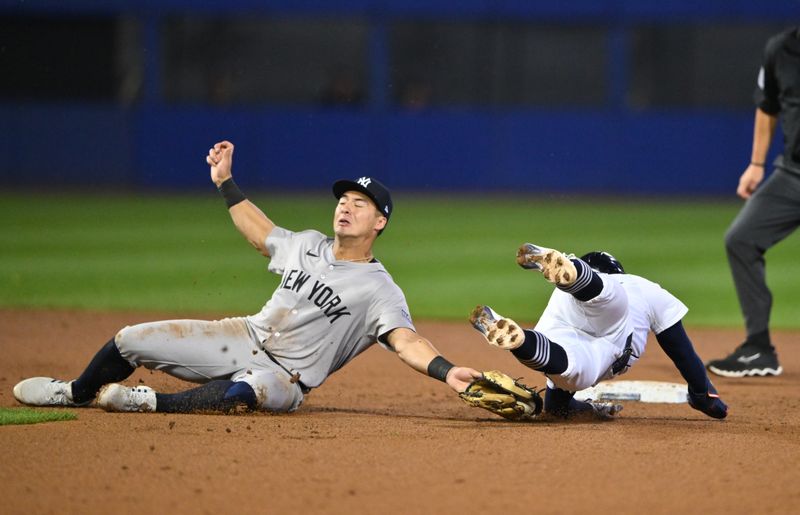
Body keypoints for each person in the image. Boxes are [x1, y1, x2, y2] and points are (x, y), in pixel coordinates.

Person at [13, 141, 481, 414]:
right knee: (130, 339)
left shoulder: (380, 288)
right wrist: (225, 182)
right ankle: (74, 392)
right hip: (241, 335)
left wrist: (446, 372)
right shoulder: (307, 242)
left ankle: (148, 401)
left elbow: (406, 340)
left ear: (380, 223)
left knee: (246, 393)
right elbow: (261, 233)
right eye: (343, 200)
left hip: (286, 377)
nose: (346, 206)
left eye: (360, 204)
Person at [469, 244, 728, 420]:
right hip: (609, 325)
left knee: (570, 373)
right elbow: (679, 348)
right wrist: (702, 394)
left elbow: (557, 408)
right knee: (608, 301)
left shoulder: (559, 300)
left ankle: (524, 339)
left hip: (563, 316)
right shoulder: (638, 285)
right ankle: (578, 276)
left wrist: (592, 410)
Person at [706, 28, 800, 378]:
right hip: (793, 174)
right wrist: (757, 164)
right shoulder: (782, 49)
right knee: (741, 238)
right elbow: (768, 106)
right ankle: (759, 348)